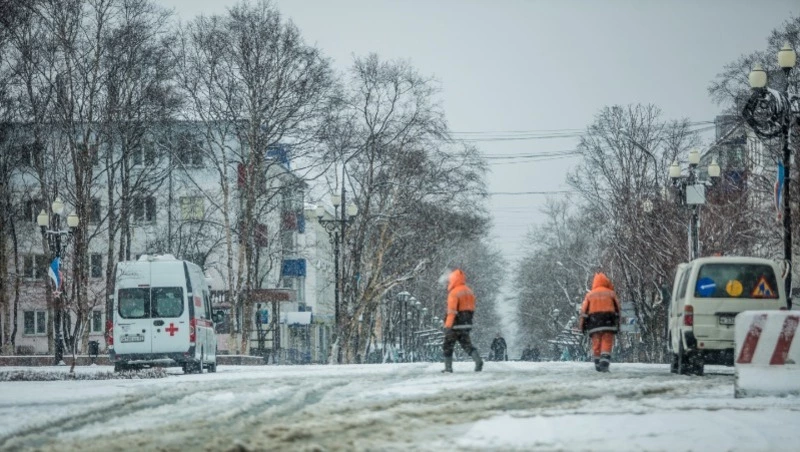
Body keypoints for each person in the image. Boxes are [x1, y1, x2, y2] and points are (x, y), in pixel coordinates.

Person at [442, 268, 483, 373]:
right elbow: (472, 308)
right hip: (466, 324)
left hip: (455, 324)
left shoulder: (454, 293)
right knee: (466, 344)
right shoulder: (469, 291)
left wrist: (448, 326)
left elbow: (452, 311)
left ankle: (448, 368)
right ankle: (477, 359)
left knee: (447, 345)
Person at [579, 272, 621, 372]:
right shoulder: (611, 293)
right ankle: (605, 362)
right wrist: (617, 323)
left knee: (596, 343)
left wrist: (582, 326)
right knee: (607, 341)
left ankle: (597, 362)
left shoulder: (590, 295)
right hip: (608, 321)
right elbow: (618, 310)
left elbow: (584, 312)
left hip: (594, 323)